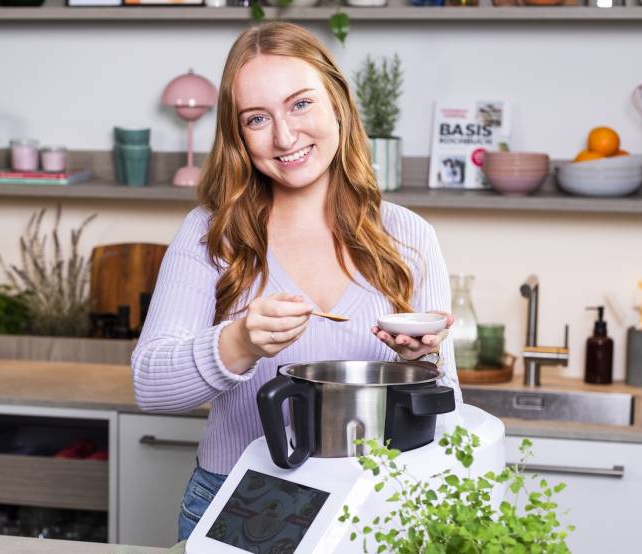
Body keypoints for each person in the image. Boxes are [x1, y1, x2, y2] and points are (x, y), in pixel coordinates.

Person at [131, 21, 462, 542]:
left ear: (338, 104)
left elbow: (447, 407)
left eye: (300, 104)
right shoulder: (211, 234)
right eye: (257, 118)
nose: (284, 136)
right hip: (238, 501)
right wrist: (238, 343)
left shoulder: (408, 235)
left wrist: (417, 362)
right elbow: (149, 386)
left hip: (375, 503)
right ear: (238, 134)